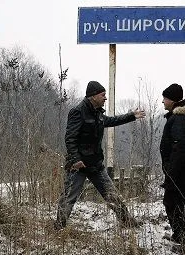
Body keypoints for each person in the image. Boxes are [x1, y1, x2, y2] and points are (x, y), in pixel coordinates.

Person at [54, 81, 146, 230]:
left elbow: (111, 120)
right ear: (93, 96)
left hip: (96, 165)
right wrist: (76, 159)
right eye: (103, 95)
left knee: (112, 194)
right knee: (69, 198)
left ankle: (127, 221)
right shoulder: (78, 111)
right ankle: (59, 227)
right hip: (79, 166)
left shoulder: (98, 113)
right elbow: (70, 138)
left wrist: (131, 116)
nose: (105, 98)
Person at [159, 83, 185, 255]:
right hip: (183, 174)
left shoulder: (179, 119)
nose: (163, 102)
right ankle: (181, 236)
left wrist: (171, 173)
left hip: (181, 175)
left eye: (165, 98)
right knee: (177, 203)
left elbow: (179, 149)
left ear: (173, 100)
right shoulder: (180, 118)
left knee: (183, 206)